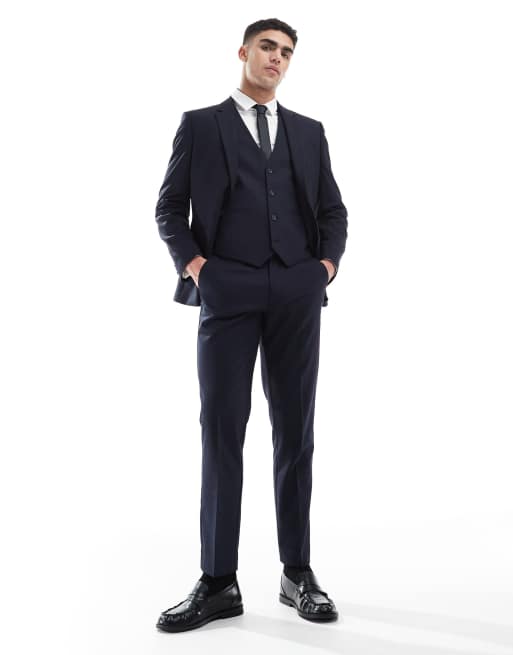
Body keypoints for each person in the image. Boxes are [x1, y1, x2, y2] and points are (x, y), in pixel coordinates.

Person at [154, 17, 348, 632]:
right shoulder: (200, 125)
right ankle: (218, 583)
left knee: (296, 433)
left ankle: (297, 574)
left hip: (296, 291)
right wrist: (198, 268)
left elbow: (333, 211)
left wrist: (323, 269)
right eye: (267, 47)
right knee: (221, 431)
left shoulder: (309, 132)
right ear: (243, 51)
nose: (277, 58)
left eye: (286, 52)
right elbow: (169, 208)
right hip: (228, 291)